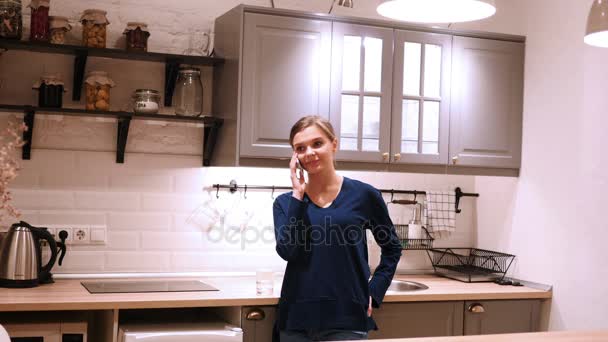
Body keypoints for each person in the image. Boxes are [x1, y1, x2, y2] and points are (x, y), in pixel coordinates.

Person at [272, 115, 403, 342]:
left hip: (347, 318)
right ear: (295, 157)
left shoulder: (365, 195)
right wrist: (297, 194)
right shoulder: (286, 203)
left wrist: (375, 290)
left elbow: (392, 248)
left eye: (317, 143)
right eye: (300, 148)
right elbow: (288, 251)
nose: (309, 152)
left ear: (334, 144)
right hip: (296, 319)